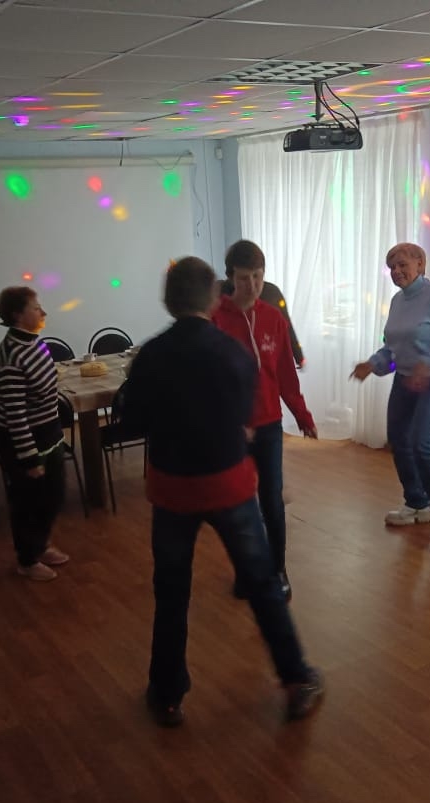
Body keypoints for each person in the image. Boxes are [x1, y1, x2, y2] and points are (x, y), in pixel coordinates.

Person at [122, 256, 324, 727]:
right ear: (215, 298)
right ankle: (296, 680)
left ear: (168, 301)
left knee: (171, 591)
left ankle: (167, 694)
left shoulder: (150, 355)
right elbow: (245, 419)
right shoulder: (233, 353)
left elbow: (131, 423)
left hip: (171, 490)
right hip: (228, 486)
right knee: (262, 585)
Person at [213, 240, 317, 601]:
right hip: (232, 430)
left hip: (269, 424)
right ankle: (246, 570)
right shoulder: (216, 320)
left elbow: (285, 373)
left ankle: (277, 570)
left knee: (272, 500)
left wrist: (302, 414)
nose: (253, 286)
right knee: (237, 504)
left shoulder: (273, 318)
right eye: (244, 278)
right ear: (231, 278)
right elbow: (211, 380)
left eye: (258, 277)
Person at [351, 242, 430, 551]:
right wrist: (372, 364)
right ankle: (417, 504)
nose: (396, 271)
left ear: (420, 265)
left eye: (402, 264)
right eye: (391, 267)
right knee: (398, 440)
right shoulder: (397, 301)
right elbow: (392, 349)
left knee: (421, 443)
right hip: (405, 377)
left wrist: (427, 365)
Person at [0, 286, 70, 581]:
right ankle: (27, 559)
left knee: (54, 496)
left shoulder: (35, 343)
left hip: (49, 435)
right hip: (24, 443)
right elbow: (15, 414)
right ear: (17, 315)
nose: (43, 312)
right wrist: (29, 459)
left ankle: (41, 544)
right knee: (28, 502)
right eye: (36, 308)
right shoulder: (11, 354)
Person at [218, 260, 305, 368]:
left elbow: (286, 326)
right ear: (232, 277)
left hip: (267, 365)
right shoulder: (219, 299)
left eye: (256, 276)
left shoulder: (272, 293)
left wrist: (298, 355)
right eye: (243, 278)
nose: (251, 285)